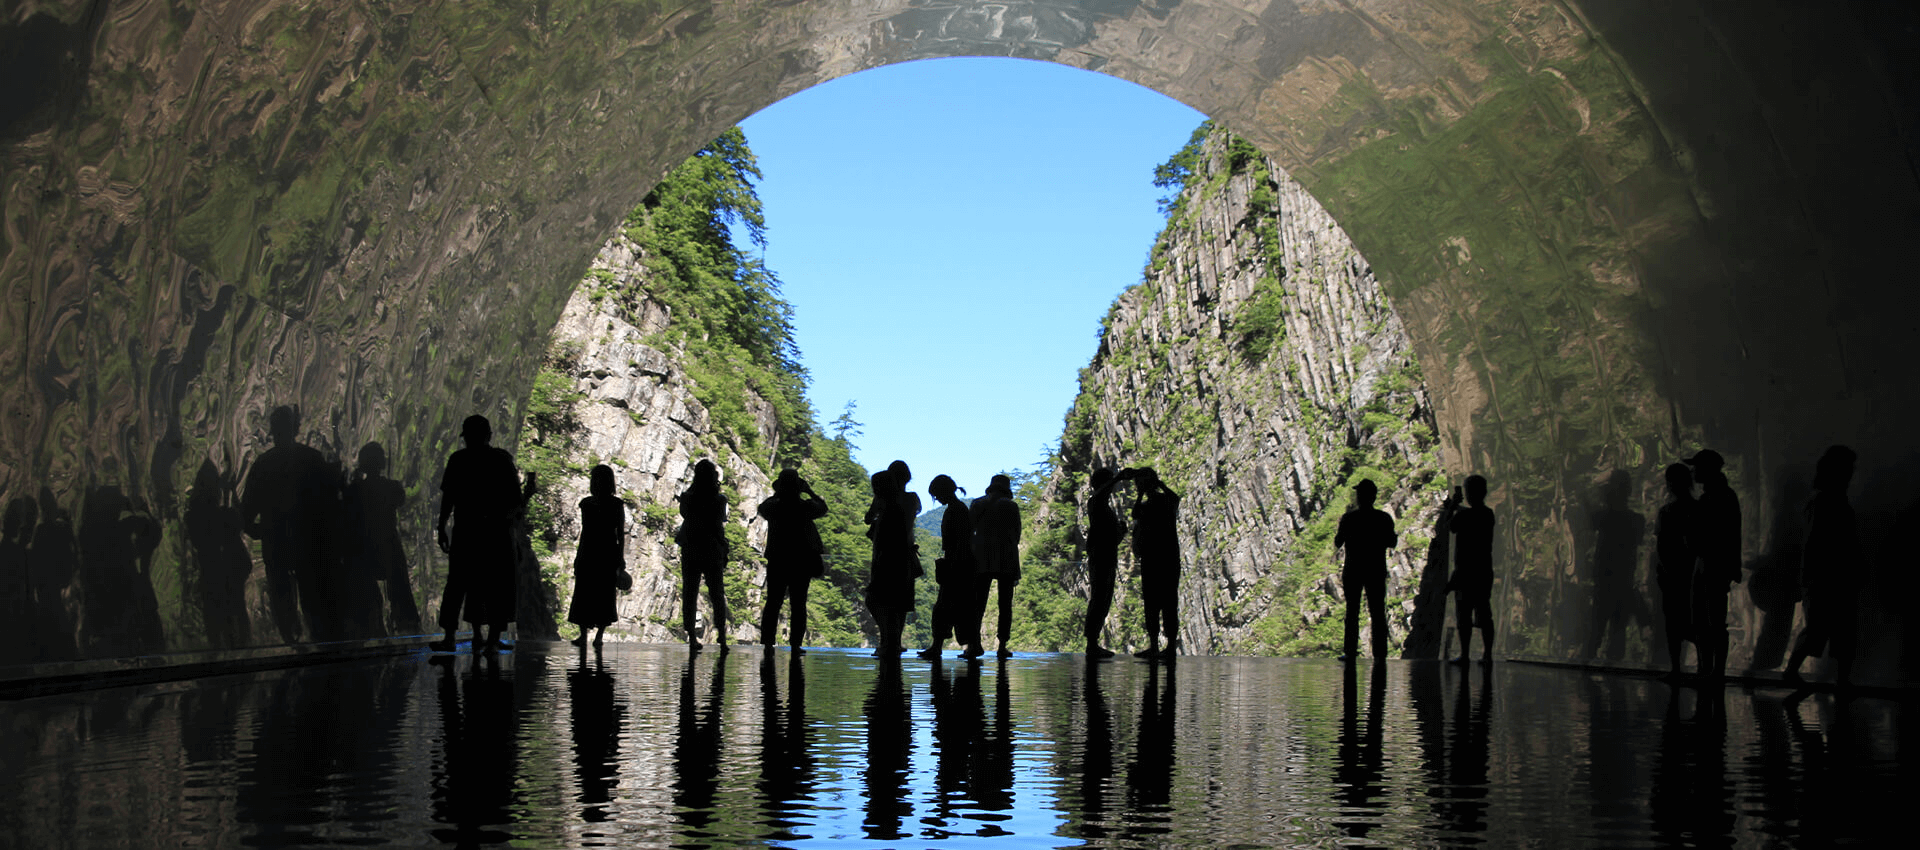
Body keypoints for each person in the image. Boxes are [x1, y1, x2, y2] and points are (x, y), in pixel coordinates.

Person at [433, 414, 536, 653]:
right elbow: (514, 502)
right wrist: (525, 498)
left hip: (467, 530)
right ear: (488, 435)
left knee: (458, 584)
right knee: (497, 583)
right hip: (496, 532)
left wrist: (441, 527)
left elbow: (448, 498)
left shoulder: (458, 460)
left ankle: (451, 636)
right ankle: (490, 640)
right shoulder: (501, 460)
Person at [1784, 445, 1863, 686]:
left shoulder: (1827, 500)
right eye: (1847, 468)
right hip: (1825, 579)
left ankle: (1836, 680)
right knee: (1825, 631)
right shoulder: (1825, 502)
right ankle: (1834, 680)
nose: (1851, 473)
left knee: (1835, 632)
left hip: (1830, 578)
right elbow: (1815, 544)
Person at [757, 468, 828, 654]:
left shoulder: (774, 507)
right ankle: (796, 644)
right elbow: (823, 508)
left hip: (778, 558)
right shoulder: (805, 507)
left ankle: (767, 643)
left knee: (773, 601)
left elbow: (761, 508)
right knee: (798, 603)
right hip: (801, 560)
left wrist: (778, 492)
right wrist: (809, 491)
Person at [1688, 449, 1741, 678]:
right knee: (1704, 620)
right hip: (1706, 563)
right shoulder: (1716, 495)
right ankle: (1707, 669)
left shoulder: (1720, 497)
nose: (1693, 471)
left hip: (1713, 564)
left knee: (1713, 621)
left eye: (1697, 467)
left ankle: (1713, 671)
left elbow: (1728, 535)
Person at [1334, 479, 1397, 661]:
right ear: (1374, 496)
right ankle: (1380, 653)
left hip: (1353, 570)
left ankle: (1350, 651)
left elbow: (1338, 542)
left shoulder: (1349, 518)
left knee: (1352, 612)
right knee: (1377, 611)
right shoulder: (1383, 518)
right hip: (1375, 569)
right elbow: (1392, 542)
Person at [568, 464, 625, 648]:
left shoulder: (587, 503)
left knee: (586, 592)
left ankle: (584, 634)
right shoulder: (615, 504)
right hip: (607, 550)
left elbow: (587, 532)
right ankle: (598, 636)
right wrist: (620, 557)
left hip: (590, 550)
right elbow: (620, 533)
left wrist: (579, 555)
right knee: (603, 593)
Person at [919, 474, 975, 659]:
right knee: (958, 607)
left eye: (936, 495)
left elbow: (959, 542)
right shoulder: (957, 509)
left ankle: (938, 647)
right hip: (960, 565)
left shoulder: (955, 511)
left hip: (956, 565)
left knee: (945, 607)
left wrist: (952, 564)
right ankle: (968, 646)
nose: (936, 499)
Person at [678, 459, 730, 650]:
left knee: (690, 591)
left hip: (691, 546)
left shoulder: (688, 498)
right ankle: (722, 637)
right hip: (712, 548)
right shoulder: (719, 500)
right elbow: (719, 524)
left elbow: (685, 514)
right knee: (717, 593)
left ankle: (692, 636)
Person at [864, 468, 918, 655]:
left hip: (886, 558)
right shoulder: (909, 501)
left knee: (877, 599)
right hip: (904, 557)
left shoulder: (888, 507)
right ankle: (892, 641)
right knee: (898, 603)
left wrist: (876, 504)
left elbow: (868, 519)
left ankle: (889, 640)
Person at [1130, 467, 1182, 659]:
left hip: (1158, 559)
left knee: (1159, 603)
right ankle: (1162, 646)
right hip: (1164, 558)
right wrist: (1154, 487)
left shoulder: (1160, 502)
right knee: (1163, 602)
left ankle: (1160, 646)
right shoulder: (1155, 504)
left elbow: (1174, 499)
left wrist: (1155, 487)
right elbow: (1135, 514)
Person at [1653, 462, 1697, 677]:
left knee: (1673, 624)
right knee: (1696, 622)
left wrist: (1662, 572)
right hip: (1693, 573)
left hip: (1673, 574)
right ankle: (1705, 669)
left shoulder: (1667, 511)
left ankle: (1676, 669)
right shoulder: (1698, 508)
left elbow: (1661, 546)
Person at [971, 474, 1023, 659]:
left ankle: (973, 644)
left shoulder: (977, 504)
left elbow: (970, 531)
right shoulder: (1011, 506)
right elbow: (1017, 534)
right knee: (1005, 604)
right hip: (1007, 558)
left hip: (981, 558)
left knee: (977, 603)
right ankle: (1002, 646)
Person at [1446, 475, 1496, 663]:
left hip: (1465, 572)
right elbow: (1472, 514)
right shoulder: (1488, 514)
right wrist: (1458, 508)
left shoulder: (1463, 516)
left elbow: (1449, 526)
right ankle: (1487, 655)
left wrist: (1452, 507)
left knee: (1464, 614)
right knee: (1484, 612)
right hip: (1483, 570)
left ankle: (1465, 654)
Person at [1084, 467, 1130, 658]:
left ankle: (1093, 642)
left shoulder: (1102, 505)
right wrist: (1117, 478)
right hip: (1100, 556)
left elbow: (1112, 539)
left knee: (1103, 599)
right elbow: (1100, 494)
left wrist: (1121, 532)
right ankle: (1092, 643)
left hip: (1106, 556)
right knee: (1099, 598)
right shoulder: (1095, 502)